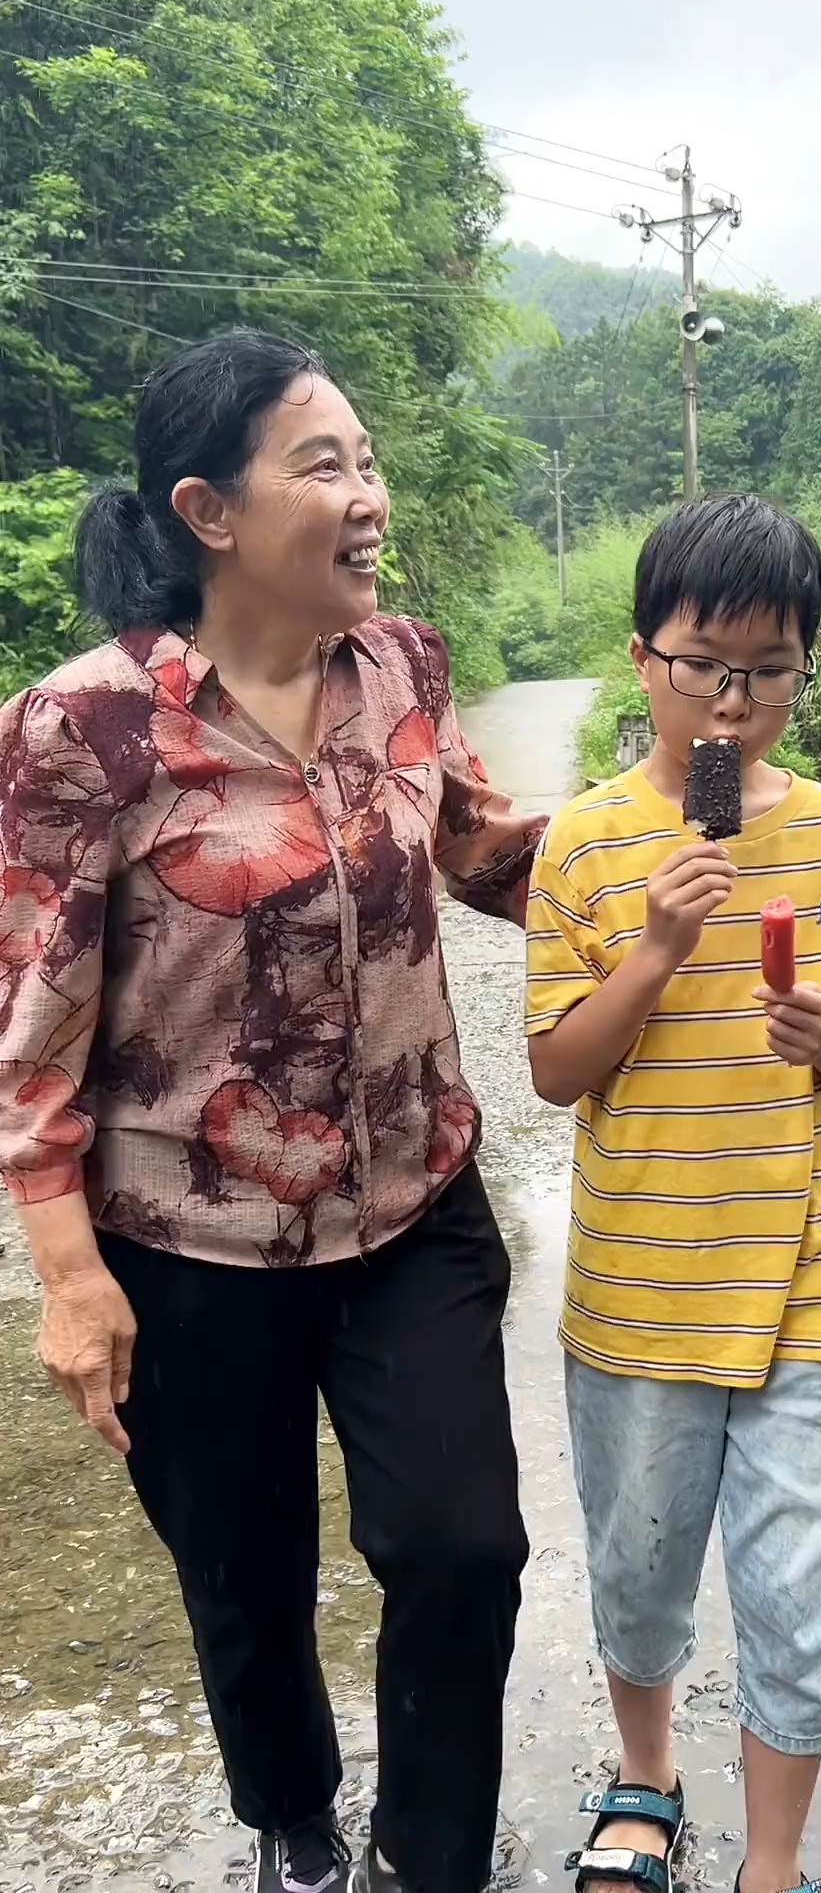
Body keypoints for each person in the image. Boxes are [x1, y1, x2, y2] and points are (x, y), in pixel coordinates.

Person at [0, 328, 543, 1893]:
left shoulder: (408, 669)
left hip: (413, 1201)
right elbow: (33, 1020)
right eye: (327, 465)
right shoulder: (82, 730)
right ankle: (292, 1816)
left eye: (368, 462)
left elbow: (484, 853)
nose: (369, 494)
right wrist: (68, 1273)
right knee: (243, 1574)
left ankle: (428, 1856)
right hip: (185, 1241)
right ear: (208, 511)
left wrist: (664, 838)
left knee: (461, 1547)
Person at [524, 494, 821, 1893]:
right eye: (704, 667)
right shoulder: (591, 843)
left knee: (800, 1589)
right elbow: (560, 1070)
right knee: (642, 1559)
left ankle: (774, 1865)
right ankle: (648, 1777)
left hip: (808, 1273)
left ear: (804, 667)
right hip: (642, 1280)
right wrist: (659, 949)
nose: (733, 707)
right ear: (644, 660)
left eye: (769, 671)